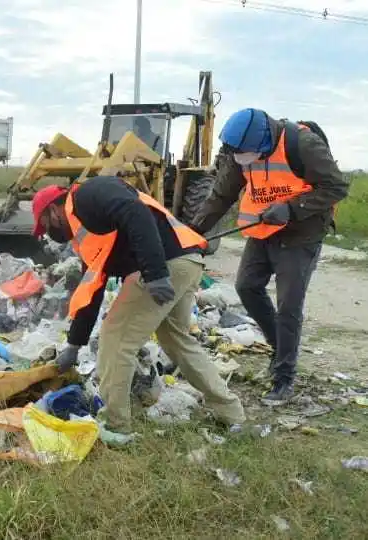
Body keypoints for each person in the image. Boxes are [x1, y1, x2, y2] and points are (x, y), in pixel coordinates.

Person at [32, 176, 245, 433]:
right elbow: (93, 291)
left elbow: (136, 211)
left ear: (53, 210)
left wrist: (155, 273)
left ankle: (114, 424)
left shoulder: (87, 196)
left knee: (116, 339)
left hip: (166, 266)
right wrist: (74, 345)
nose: (48, 233)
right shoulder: (87, 232)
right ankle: (230, 412)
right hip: (186, 261)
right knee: (177, 340)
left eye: (44, 225)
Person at [190, 108, 349, 404]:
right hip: (263, 230)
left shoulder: (302, 144)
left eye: (245, 153)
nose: (240, 159)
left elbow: (336, 186)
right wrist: (192, 232)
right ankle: (279, 347)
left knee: (288, 304)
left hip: (300, 234)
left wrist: (292, 208)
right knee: (247, 287)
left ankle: (284, 377)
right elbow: (221, 195)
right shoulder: (241, 152)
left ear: (263, 142)